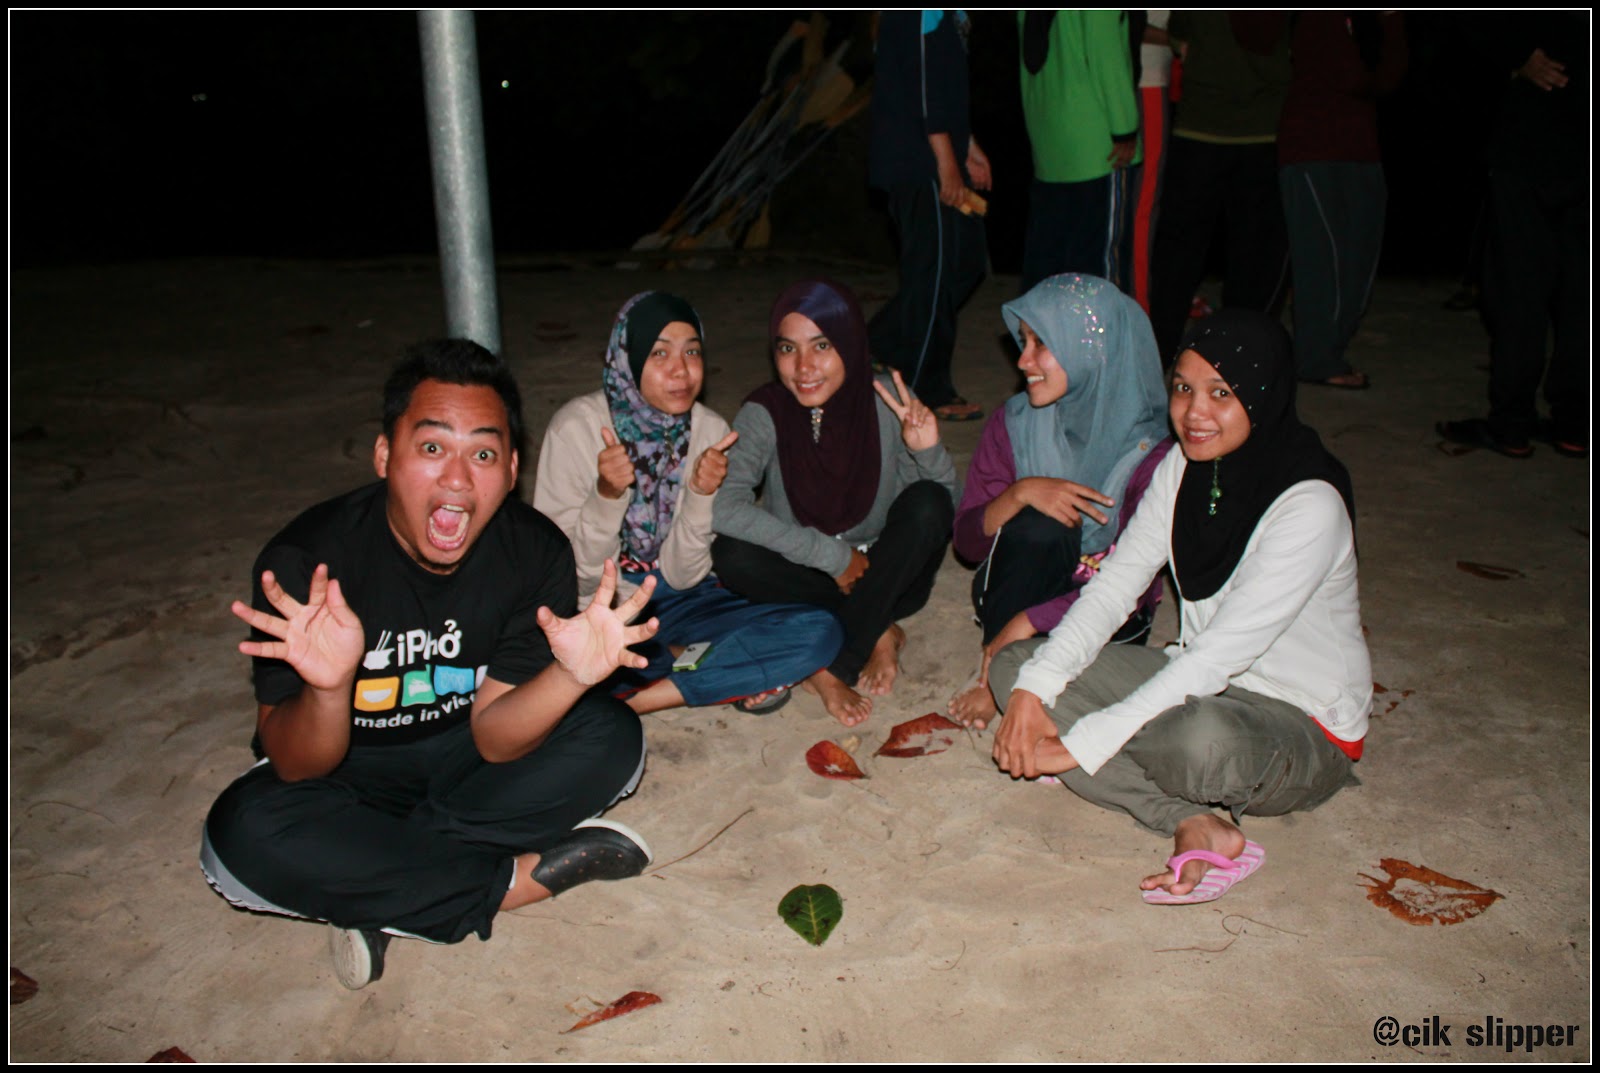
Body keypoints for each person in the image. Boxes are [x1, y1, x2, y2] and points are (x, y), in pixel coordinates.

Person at [201, 339, 660, 990]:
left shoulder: (534, 553)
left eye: (483, 454)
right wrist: (329, 689)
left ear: (512, 469)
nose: (458, 479)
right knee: (241, 832)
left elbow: (496, 738)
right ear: (384, 456)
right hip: (347, 771)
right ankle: (512, 882)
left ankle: (382, 884)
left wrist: (570, 676)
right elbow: (297, 763)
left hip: (466, 759)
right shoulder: (309, 562)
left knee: (612, 735)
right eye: (432, 447)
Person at [986, 309, 1369, 905]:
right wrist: (1036, 688)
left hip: (1301, 723)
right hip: (1197, 678)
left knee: (1195, 745)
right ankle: (1190, 821)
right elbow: (1115, 587)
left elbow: (1219, 656)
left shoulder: (1310, 504)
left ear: (1263, 395)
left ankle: (1100, 762)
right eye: (1184, 388)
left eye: (1222, 393)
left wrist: (1084, 743)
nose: (1194, 412)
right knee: (1016, 669)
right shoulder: (1183, 464)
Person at [533, 291, 843, 716]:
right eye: (659, 353)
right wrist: (606, 496)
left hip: (686, 598)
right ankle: (707, 665)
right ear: (629, 358)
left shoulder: (710, 431)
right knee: (565, 662)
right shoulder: (575, 429)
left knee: (819, 630)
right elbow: (575, 580)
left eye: (692, 352)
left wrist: (699, 494)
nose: (680, 370)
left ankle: (649, 696)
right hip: (605, 605)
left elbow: (684, 576)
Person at [712, 279, 959, 727]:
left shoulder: (886, 400)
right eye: (788, 349)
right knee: (731, 553)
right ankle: (878, 629)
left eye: (822, 345)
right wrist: (832, 557)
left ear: (850, 343)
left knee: (927, 502)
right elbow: (724, 508)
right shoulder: (764, 410)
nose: (803, 366)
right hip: (809, 575)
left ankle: (826, 665)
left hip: (888, 574)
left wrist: (927, 451)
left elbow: (943, 509)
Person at [948, 274, 1174, 729]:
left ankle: (1012, 664)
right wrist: (1020, 492)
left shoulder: (1150, 453)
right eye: (1023, 340)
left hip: (1110, 614)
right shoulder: (1015, 423)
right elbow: (968, 546)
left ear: (1091, 351)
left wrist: (1028, 621)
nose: (1022, 359)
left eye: (1042, 343)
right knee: (1041, 522)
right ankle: (1001, 670)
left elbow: (1131, 590)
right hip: (1015, 589)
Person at [1438, 13, 1588, 460]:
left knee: (1522, 287)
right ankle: (1573, 422)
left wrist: (1518, 53)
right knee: (1579, 291)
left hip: (1535, 143)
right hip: (1561, 135)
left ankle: (1513, 422)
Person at [865, 9, 991, 422]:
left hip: (935, 153)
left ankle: (875, 343)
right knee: (934, 276)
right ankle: (926, 388)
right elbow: (921, 88)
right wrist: (946, 162)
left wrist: (967, 145)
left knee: (965, 263)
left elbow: (943, 83)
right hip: (918, 162)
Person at [1148, 12, 1292, 364]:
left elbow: (1180, 33)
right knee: (1252, 255)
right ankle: (1238, 355)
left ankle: (1160, 352)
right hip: (1259, 129)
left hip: (1201, 126)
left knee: (1179, 252)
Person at [1277, 11, 1408, 390]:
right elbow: (1353, 76)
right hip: (1312, 149)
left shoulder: (1362, 22)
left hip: (1360, 149)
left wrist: (1391, 22)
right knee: (1323, 261)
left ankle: (1329, 350)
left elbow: (1390, 76)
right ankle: (1317, 359)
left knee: (1358, 261)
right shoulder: (1319, 19)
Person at [1016, 10, 1142, 294]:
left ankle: (1044, 326)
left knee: (1049, 271)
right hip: (1096, 145)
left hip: (1050, 139)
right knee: (1100, 273)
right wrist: (1124, 128)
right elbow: (1105, 54)